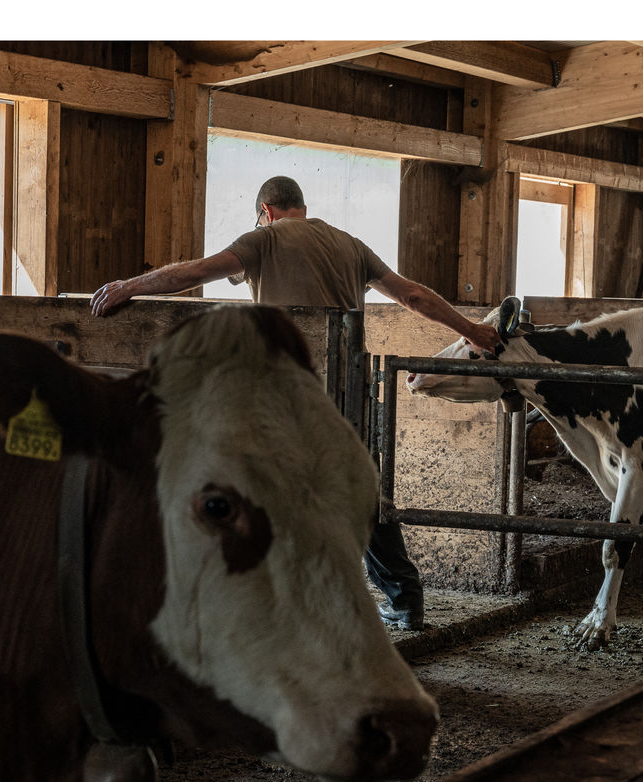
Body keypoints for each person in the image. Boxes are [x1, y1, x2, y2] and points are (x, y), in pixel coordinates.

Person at [91, 176, 502, 631]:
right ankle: (404, 600)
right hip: (352, 390)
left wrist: (128, 286)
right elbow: (413, 295)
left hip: (289, 396)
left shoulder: (263, 239)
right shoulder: (350, 244)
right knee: (364, 490)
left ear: (266, 211)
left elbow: (195, 273)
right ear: (301, 207)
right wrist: (471, 331)